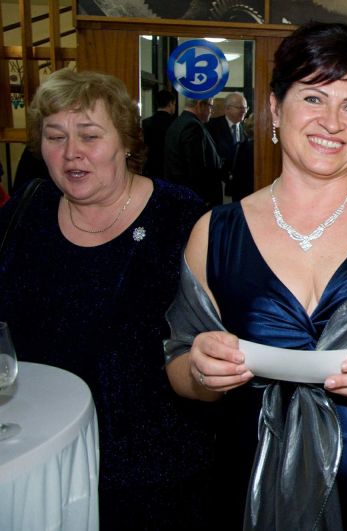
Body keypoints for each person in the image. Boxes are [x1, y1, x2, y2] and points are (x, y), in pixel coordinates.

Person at [163, 22, 347, 530]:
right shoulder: (214, 233)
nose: (332, 122)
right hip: (257, 471)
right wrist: (201, 372)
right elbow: (179, 360)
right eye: (313, 98)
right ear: (275, 108)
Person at [0, 69, 216, 530]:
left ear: (126, 143)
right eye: (55, 136)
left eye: (90, 135)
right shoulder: (27, 210)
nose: (71, 152)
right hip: (45, 457)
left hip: (157, 476)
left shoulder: (182, 218)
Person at [163, 96, 224, 207]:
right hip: (194, 201)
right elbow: (196, 170)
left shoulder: (178, 122)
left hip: (180, 196)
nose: (212, 111)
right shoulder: (192, 126)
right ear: (200, 105)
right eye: (210, 106)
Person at [206, 92, 248, 195]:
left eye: (245, 108)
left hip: (238, 186)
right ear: (227, 108)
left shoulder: (245, 129)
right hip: (216, 183)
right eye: (240, 107)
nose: (244, 111)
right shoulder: (212, 126)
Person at [141, 88, 176, 178]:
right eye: (174, 104)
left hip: (150, 169)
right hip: (169, 170)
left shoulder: (145, 123)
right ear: (170, 104)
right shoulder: (176, 124)